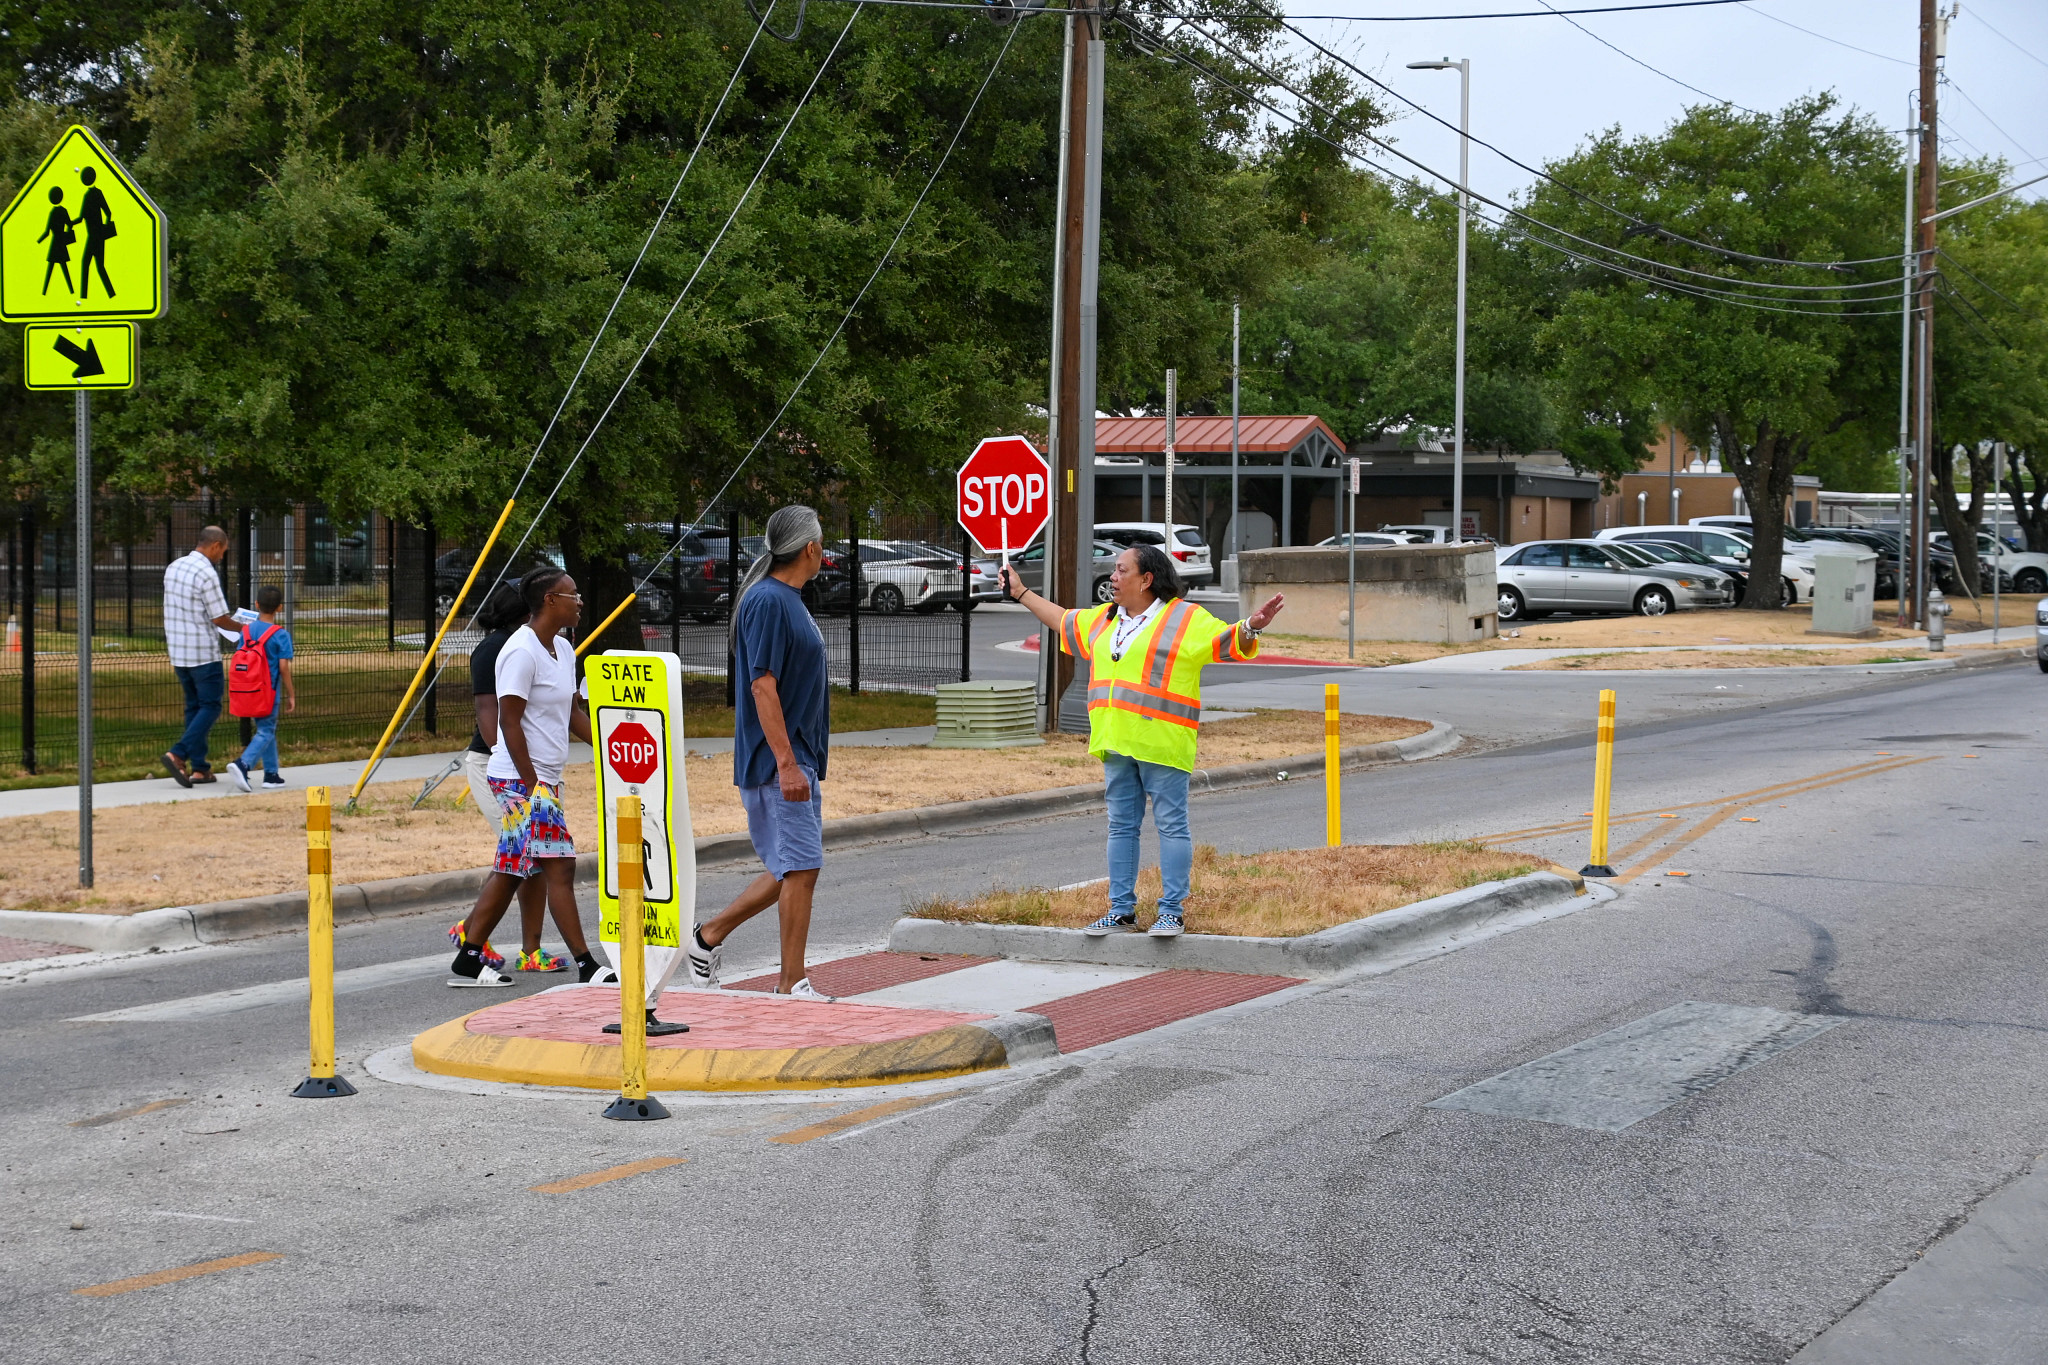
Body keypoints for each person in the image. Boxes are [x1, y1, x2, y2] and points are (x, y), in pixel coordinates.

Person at [1000, 545, 1286, 937]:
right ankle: (1121, 911)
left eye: (1120, 571)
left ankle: (1171, 911)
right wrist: (1020, 593)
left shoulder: (1184, 618)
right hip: (1115, 741)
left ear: (1146, 579)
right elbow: (1063, 620)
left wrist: (1251, 626)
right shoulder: (1104, 619)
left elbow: (1226, 641)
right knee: (1120, 827)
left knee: (1170, 825)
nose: (1112, 578)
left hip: (1162, 741)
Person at [684, 505, 835, 1001]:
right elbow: (762, 688)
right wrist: (787, 764)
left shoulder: (785, 598)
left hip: (797, 759)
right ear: (809, 548)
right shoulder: (769, 601)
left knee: (792, 867)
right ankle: (792, 982)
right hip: (779, 763)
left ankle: (706, 939)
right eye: (822, 543)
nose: (824, 550)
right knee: (799, 868)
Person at [448, 567, 607, 987]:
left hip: (541, 779)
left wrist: (608, 749)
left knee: (512, 868)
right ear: (550, 600)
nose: (579, 602)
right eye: (572, 595)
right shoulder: (520, 651)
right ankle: (588, 965)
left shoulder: (563, 649)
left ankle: (468, 957)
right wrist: (534, 783)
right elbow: (509, 722)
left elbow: (572, 713)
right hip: (519, 780)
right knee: (559, 865)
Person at [448, 582, 559, 973]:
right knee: (522, 857)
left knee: (528, 858)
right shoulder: (496, 648)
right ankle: (472, 934)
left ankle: (525, 949)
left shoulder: (536, 646)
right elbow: (488, 711)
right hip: (495, 764)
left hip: (527, 766)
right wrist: (511, 769)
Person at [161, 526, 240, 788]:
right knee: (210, 706)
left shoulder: (174, 566)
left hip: (178, 651)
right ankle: (178, 753)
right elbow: (219, 618)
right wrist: (246, 627)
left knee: (193, 707)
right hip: (202, 653)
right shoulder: (206, 573)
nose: (221, 557)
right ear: (216, 545)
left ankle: (200, 768)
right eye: (223, 551)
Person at [224, 584, 294, 791]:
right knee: (266, 729)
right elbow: (283, 667)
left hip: (248, 688)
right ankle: (243, 764)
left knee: (266, 729)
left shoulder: (246, 630)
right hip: (268, 691)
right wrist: (292, 693)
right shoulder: (281, 634)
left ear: (256, 605)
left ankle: (271, 774)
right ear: (279, 607)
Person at [77, 166, 116, 302]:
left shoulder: (88, 196)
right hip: (98, 236)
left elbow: (81, 218)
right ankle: (111, 294)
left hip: (93, 236)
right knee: (99, 266)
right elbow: (108, 213)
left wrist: (69, 224)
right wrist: (104, 228)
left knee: (86, 263)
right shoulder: (97, 193)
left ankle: (84, 296)